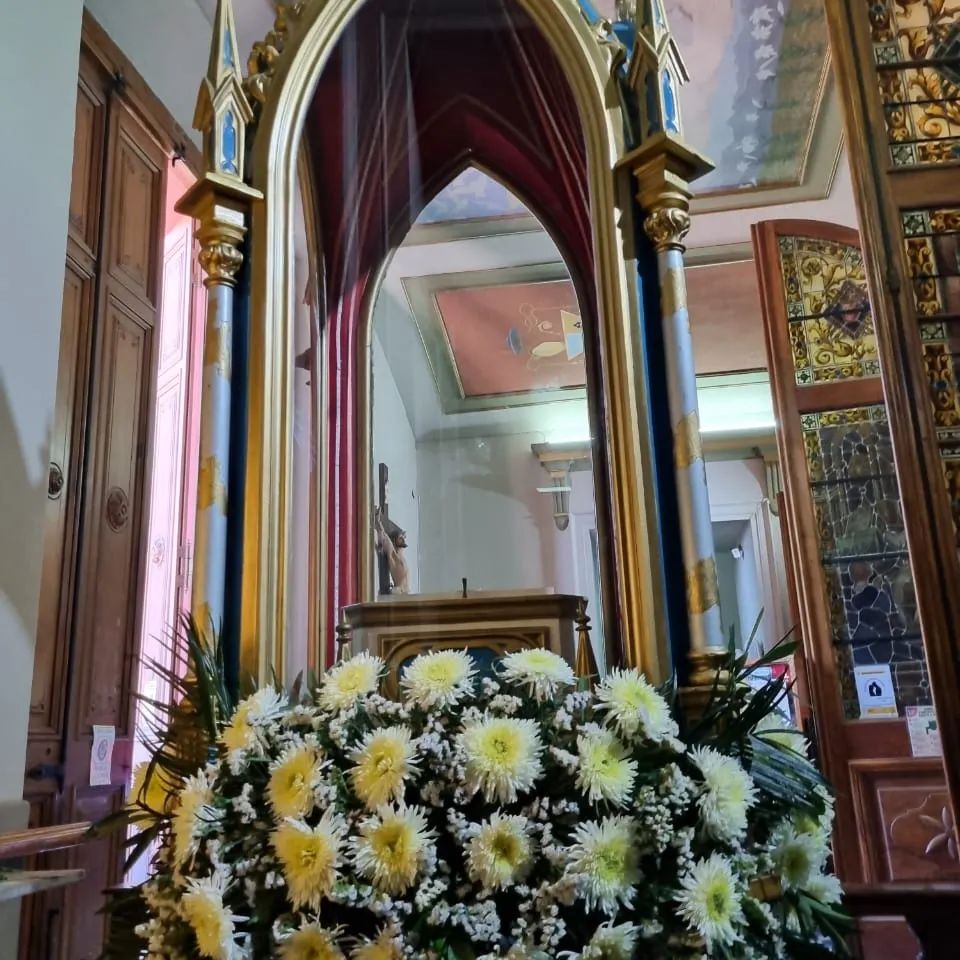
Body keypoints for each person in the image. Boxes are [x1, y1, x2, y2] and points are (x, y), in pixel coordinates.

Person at [374, 506, 410, 594]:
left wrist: (402, 535)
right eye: (400, 538)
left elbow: (401, 543)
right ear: (394, 541)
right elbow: (385, 537)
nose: (402, 539)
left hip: (406, 593)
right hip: (399, 593)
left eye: (402, 538)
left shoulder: (400, 555)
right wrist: (378, 521)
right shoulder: (393, 554)